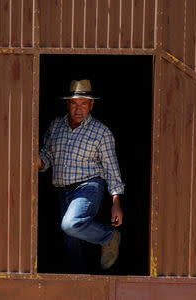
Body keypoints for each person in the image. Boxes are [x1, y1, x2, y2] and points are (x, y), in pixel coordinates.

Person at [38, 79, 125, 273]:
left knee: (70, 224)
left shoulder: (101, 133)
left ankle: (109, 237)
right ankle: (80, 282)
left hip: (89, 187)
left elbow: (112, 168)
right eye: (74, 103)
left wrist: (116, 201)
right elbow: (47, 156)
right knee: (71, 242)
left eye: (83, 103)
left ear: (91, 105)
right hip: (64, 190)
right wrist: (37, 161)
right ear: (67, 104)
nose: (78, 109)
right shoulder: (56, 126)